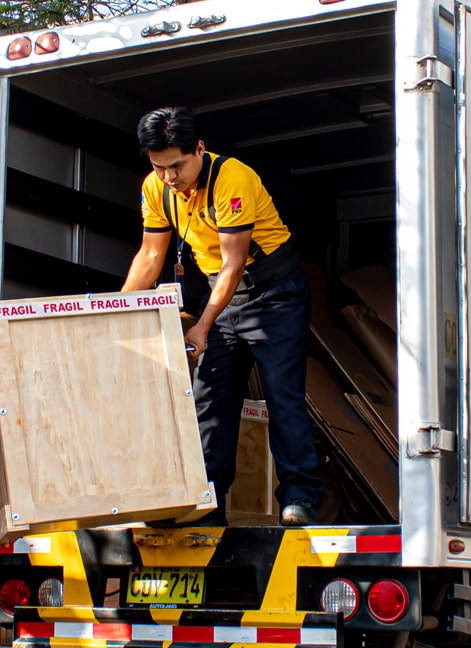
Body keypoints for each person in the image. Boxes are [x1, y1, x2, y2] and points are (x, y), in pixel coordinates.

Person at [122, 106, 324, 526]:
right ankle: (207, 503)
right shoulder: (155, 189)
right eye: (159, 167)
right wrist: (114, 312)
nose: (169, 177)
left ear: (199, 149)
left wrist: (203, 324)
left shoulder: (233, 178)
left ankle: (300, 495)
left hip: (274, 294)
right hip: (222, 294)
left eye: (177, 166)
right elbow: (151, 255)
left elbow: (234, 263)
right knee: (208, 399)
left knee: (281, 394)